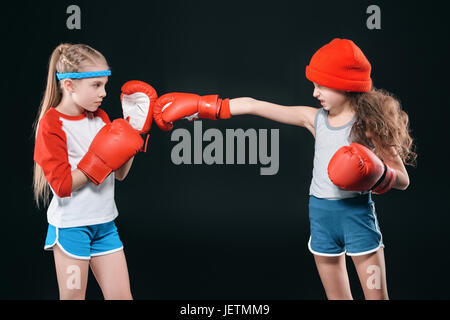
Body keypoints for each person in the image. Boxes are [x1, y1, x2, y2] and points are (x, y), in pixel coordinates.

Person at [152, 38, 417, 300]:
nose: (315, 93)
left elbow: (403, 179)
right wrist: (205, 107)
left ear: (345, 85)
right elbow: (256, 105)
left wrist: (378, 173)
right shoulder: (314, 119)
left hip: (357, 219)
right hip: (321, 216)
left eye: (321, 86)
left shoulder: (369, 126)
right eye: (314, 85)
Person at [32, 43, 156, 299]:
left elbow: (119, 173)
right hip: (71, 229)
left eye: (105, 84)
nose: (104, 93)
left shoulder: (101, 118)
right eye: (96, 85)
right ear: (69, 85)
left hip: (105, 225)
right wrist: (99, 160)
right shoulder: (52, 124)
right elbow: (61, 185)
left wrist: (135, 133)